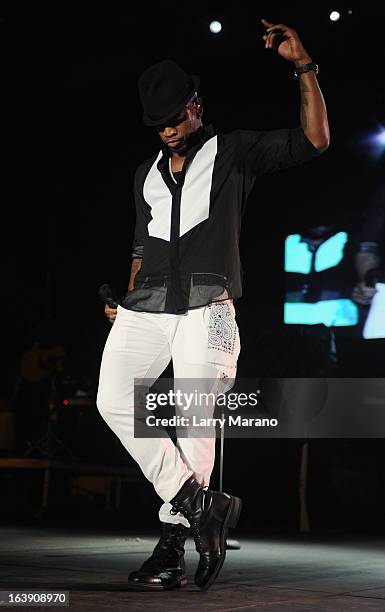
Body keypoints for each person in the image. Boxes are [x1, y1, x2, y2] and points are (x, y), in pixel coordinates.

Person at [96, 18, 330, 592]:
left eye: (175, 118)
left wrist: (303, 66)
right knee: (111, 399)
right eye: (158, 125)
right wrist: (127, 299)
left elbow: (314, 141)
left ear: (196, 105)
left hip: (207, 309)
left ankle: (174, 547)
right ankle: (202, 505)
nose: (169, 132)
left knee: (195, 426)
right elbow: (140, 241)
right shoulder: (145, 172)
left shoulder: (234, 152)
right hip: (146, 308)